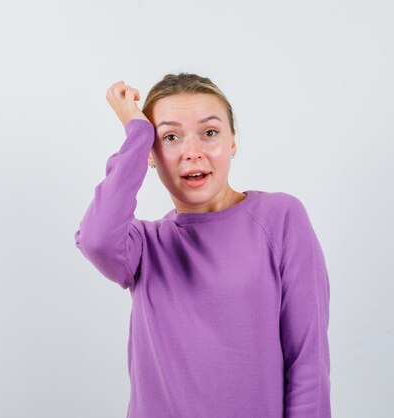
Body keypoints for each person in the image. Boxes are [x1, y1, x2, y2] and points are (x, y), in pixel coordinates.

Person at [73, 73, 331, 418]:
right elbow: (97, 238)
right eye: (170, 137)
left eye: (209, 133)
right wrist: (136, 133)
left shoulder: (279, 218)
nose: (192, 153)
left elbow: (307, 361)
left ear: (233, 142)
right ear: (150, 154)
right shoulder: (144, 247)